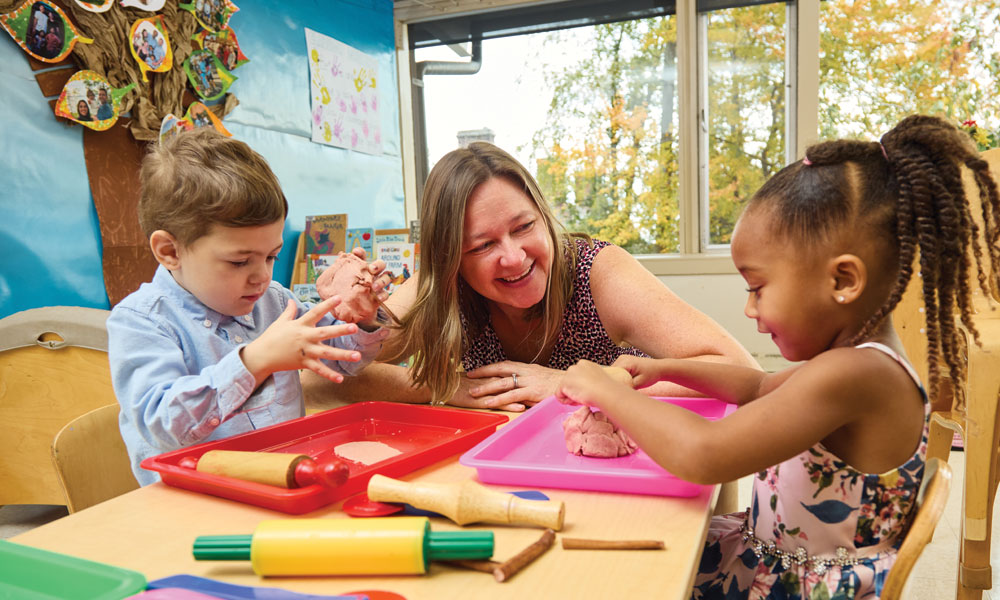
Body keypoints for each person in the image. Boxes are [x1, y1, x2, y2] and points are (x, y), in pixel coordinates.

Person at [554, 114, 1000, 599]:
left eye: (758, 288)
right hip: (769, 552)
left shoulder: (856, 374)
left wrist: (603, 391)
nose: (750, 309)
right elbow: (758, 386)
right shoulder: (854, 359)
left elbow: (706, 455)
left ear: (843, 281)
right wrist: (661, 368)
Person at [309, 142, 757, 410]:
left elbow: (740, 371)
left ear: (544, 216)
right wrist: (443, 385)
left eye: (524, 227)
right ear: (451, 261)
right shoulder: (440, 285)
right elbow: (323, 376)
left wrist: (579, 385)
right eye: (482, 246)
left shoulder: (598, 272)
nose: (513, 257)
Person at [107, 128, 391, 485]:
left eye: (271, 256)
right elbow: (164, 426)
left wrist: (359, 317)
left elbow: (342, 359)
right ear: (170, 251)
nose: (261, 276)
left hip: (287, 483)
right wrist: (254, 361)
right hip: (192, 506)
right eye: (240, 262)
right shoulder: (142, 322)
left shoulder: (274, 300)